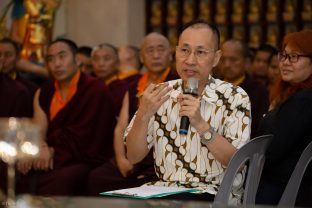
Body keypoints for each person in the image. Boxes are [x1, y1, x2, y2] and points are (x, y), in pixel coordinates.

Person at [125, 20, 251, 205]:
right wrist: (143, 114)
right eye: (184, 50)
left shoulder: (235, 97)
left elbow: (238, 164)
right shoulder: (160, 93)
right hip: (164, 193)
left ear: (216, 58)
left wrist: (201, 125)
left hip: (215, 194)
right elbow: (133, 156)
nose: (190, 60)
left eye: (200, 52)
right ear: (175, 53)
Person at [15, 38, 116, 196]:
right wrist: (38, 148)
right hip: (48, 155)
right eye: (51, 59)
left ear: (76, 60)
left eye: (62, 56)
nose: (57, 64)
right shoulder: (44, 91)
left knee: (65, 179)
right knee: (14, 169)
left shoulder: (95, 89)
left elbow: (89, 137)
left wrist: (52, 151)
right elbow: (38, 128)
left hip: (81, 158)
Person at [87, 32, 178, 195]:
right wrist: (121, 158)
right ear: (142, 58)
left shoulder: (177, 83)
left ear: (170, 55)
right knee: (97, 177)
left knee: (149, 182)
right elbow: (121, 126)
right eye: (150, 51)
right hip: (132, 154)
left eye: (161, 50)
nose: (156, 55)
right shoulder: (132, 86)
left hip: (161, 157)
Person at [256, 30, 312, 207]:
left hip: (283, 192)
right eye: (284, 56)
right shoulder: (292, 95)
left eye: (294, 57)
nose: (285, 63)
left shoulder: (304, 100)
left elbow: (271, 151)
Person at [219, 39, 269, 138]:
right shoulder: (211, 87)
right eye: (223, 60)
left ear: (246, 62)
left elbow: (259, 128)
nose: (227, 65)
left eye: (233, 60)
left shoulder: (258, 91)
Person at [92, 43, 128, 116]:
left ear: (117, 62)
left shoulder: (123, 88)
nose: (100, 64)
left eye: (107, 58)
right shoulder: (89, 87)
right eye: (96, 59)